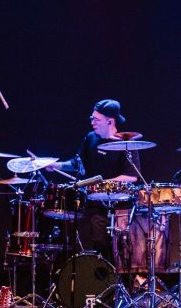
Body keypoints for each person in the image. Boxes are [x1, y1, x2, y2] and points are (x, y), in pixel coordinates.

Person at [45, 99, 138, 257]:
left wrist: (104, 184)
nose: (92, 122)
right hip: (95, 203)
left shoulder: (127, 142)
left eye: (97, 119)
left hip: (121, 205)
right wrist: (56, 165)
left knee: (122, 249)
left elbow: (131, 177)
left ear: (110, 121)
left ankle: (122, 279)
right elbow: (77, 163)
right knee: (98, 242)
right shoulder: (90, 138)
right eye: (92, 118)